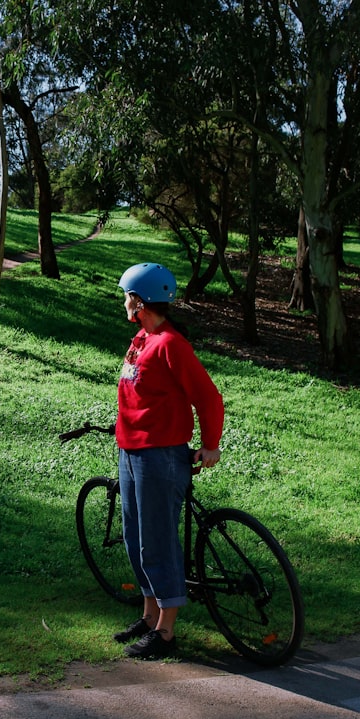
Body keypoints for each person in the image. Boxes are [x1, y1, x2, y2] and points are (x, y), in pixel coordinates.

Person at [112, 262, 224, 660]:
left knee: (158, 541)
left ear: (139, 301)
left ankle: (166, 631)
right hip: (131, 451)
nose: (123, 301)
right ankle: (148, 615)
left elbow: (208, 397)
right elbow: (141, 394)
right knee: (137, 539)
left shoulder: (171, 344)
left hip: (160, 457)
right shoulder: (142, 338)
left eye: (127, 295)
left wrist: (210, 445)